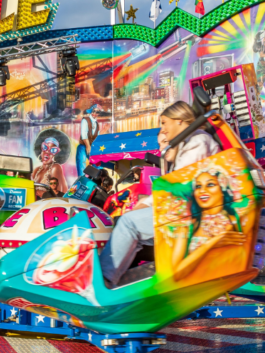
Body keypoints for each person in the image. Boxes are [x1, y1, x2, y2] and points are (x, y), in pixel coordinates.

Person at [100, 101, 221, 288]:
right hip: (187, 210)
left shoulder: (198, 141)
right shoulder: (190, 142)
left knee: (128, 223)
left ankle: (104, 281)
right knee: (133, 235)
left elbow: (178, 184)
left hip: (194, 213)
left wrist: (148, 204)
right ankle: (123, 288)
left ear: (179, 121)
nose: (163, 129)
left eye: (165, 123)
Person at [170, 166, 246, 281]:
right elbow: (176, 274)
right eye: (198, 186)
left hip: (230, 290)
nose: (202, 190)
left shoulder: (236, 221)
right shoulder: (187, 227)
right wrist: (212, 243)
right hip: (197, 291)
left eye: (210, 184)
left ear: (222, 190)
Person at [32, 129, 71, 196]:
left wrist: (36, 192)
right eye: (45, 147)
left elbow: (58, 196)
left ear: (58, 153)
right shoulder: (37, 170)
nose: (47, 152)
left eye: (53, 150)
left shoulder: (55, 167)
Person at [75, 105, 101, 177]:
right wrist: (88, 145)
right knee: (81, 164)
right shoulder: (85, 120)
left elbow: (97, 137)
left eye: (97, 112)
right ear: (91, 111)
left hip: (92, 147)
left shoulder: (96, 124)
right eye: (93, 111)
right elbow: (84, 134)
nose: (94, 113)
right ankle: (81, 181)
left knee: (98, 165)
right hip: (83, 146)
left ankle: (97, 180)